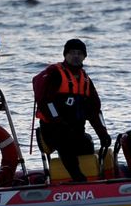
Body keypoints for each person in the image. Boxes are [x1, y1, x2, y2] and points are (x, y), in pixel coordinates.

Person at [34, 38, 110, 182]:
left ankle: (93, 176)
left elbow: (94, 111)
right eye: (72, 53)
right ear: (65, 55)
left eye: (79, 53)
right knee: (66, 143)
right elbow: (46, 102)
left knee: (87, 144)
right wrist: (58, 122)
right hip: (53, 129)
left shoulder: (86, 80)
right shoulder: (55, 74)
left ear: (84, 56)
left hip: (76, 130)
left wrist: (102, 134)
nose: (76, 56)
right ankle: (78, 178)